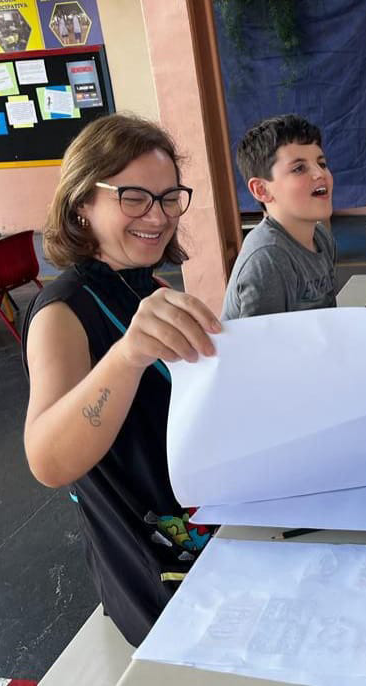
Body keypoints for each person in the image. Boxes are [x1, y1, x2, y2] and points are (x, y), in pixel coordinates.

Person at [22, 113, 221, 646]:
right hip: (157, 579)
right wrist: (127, 356)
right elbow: (47, 459)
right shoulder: (61, 311)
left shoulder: (146, 283)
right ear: (83, 202)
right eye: (133, 196)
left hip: (210, 538)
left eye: (168, 197)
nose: (157, 215)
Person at [222, 114, 336, 319]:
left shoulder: (321, 237)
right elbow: (259, 348)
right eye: (299, 168)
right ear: (261, 190)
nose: (320, 174)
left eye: (322, 163)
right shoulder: (268, 259)